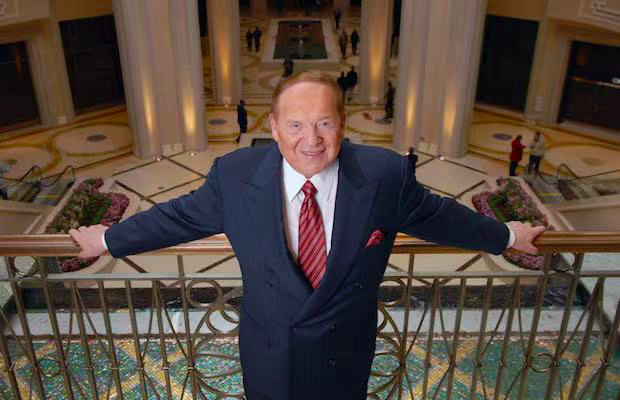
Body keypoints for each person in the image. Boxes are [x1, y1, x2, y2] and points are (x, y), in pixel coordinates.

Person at [69, 71, 544, 400]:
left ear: (342, 125)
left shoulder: (384, 176)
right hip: (270, 353)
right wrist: (107, 241)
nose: (310, 139)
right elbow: (175, 218)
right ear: (274, 128)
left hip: (344, 356)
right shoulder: (235, 177)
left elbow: (441, 217)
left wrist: (505, 235)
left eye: (324, 123)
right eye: (295, 124)